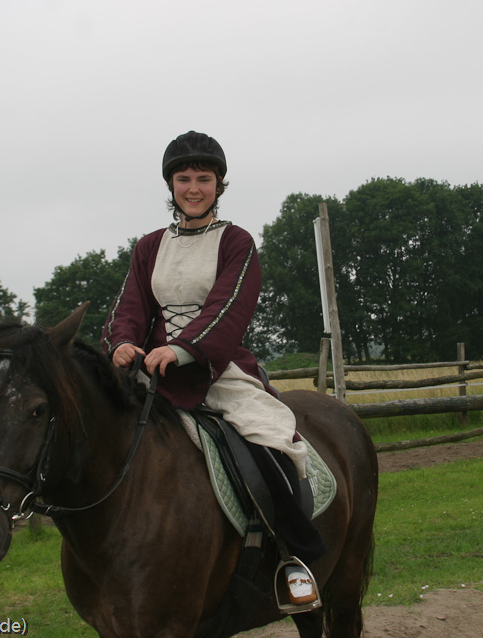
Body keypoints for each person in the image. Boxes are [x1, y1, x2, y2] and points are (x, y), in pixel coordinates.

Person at [101, 130, 325, 605]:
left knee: (270, 443)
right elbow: (130, 306)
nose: (194, 188)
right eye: (184, 179)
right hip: (152, 372)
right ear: (171, 185)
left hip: (216, 371)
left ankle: (291, 558)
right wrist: (121, 343)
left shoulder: (236, 242)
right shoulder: (148, 246)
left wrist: (182, 349)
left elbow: (229, 308)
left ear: (219, 185)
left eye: (204, 179)